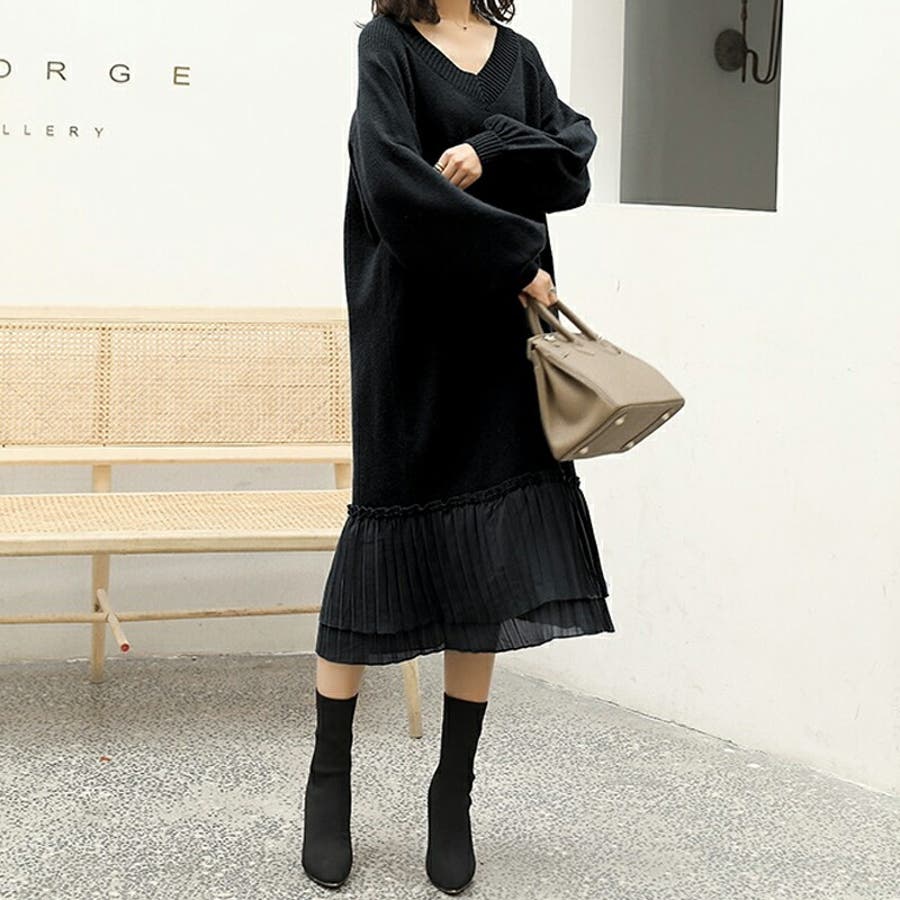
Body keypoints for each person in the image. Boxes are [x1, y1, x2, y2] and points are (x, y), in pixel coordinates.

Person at [302, 0, 616, 892]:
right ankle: (328, 782)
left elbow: (572, 159)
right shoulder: (388, 47)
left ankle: (453, 794)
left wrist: (491, 149)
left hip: (498, 342)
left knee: (487, 563)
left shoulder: (517, 53)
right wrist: (515, 256)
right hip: (412, 334)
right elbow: (390, 183)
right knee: (380, 544)